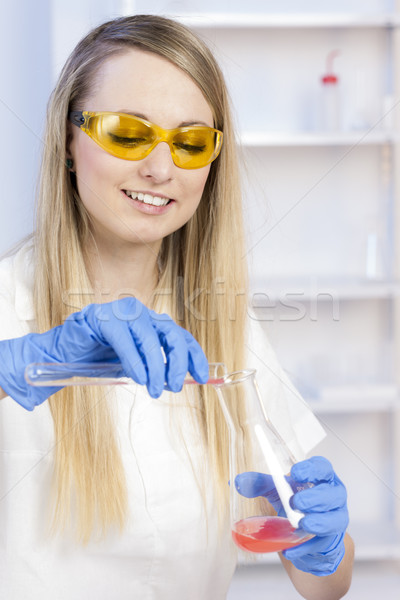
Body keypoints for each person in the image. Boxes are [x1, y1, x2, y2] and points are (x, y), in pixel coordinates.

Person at [0, 14, 354, 599]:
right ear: (67, 140)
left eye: (190, 143)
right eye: (127, 132)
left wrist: (324, 547)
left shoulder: (224, 324)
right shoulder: (9, 308)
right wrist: (25, 362)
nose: (161, 170)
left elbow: (326, 588)